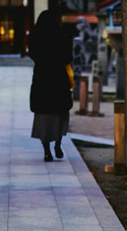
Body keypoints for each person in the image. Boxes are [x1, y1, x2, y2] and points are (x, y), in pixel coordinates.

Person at [28, 9, 74, 162]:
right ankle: (58, 144)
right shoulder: (61, 36)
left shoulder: (34, 36)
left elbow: (32, 55)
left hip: (42, 78)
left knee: (43, 115)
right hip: (59, 78)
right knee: (60, 112)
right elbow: (68, 57)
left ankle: (46, 150)